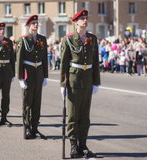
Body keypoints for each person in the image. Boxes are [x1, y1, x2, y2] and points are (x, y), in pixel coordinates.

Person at [60, 10, 100, 158]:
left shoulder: (92, 38)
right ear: (76, 22)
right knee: (72, 115)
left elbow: (95, 61)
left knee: (85, 115)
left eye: (86, 18)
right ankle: (73, 145)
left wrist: (96, 82)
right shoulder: (68, 39)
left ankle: (83, 144)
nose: (85, 20)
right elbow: (64, 63)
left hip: (88, 79)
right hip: (73, 80)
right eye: (82, 19)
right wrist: (62, 84)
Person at [17, 15, 48, 139]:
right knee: (27, 103)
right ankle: (27, 128)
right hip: (28, 73)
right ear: (29, 25)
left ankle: (35, 128)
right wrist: (20, 78)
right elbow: (19, 60)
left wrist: (45, 75)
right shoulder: (23, 40)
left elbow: (44, 58)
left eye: (37, 23)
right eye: (33, 23)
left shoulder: (42, 39)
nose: (36, 25)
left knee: (37, 102)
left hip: (38, 73)